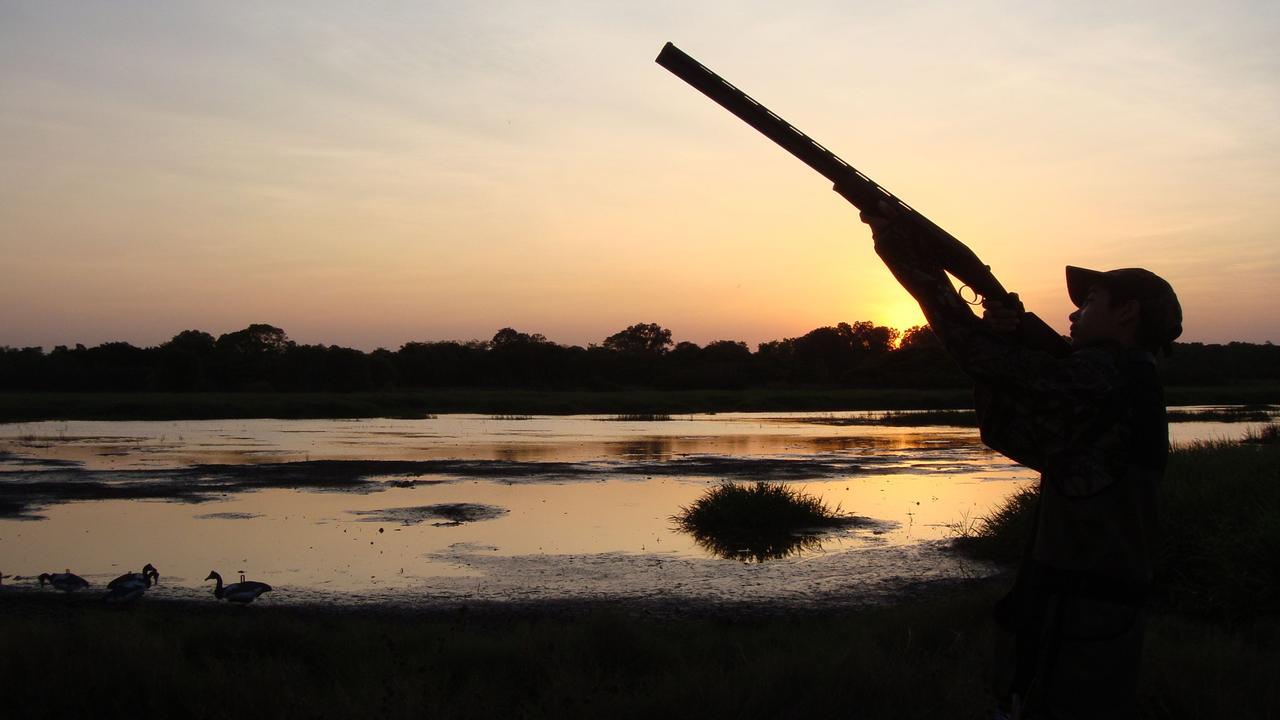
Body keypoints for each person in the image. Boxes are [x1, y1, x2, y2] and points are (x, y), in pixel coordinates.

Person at [859, 205, 1182, 719]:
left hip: (1087, 618)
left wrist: (911, 265)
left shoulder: (1111, 378)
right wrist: (1005, 336)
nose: (1074, 313)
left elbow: (979, 358)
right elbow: (1005, 429)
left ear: (1127, 313)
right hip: (1068, 609)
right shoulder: (1116, 382)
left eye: (1091, 301)